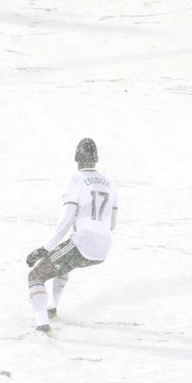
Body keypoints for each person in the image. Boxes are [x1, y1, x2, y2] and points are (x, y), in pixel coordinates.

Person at [24, 139, 118, 334]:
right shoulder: (111, 183)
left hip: (83, 245)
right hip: (103, 249)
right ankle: (51, 310)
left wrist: (44, 247)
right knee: (62, 261)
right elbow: (112, 224)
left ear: (76, 158)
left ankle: (42, 327)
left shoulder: (75, 181)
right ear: (96, 159)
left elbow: (67, 220)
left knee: (36, 275)